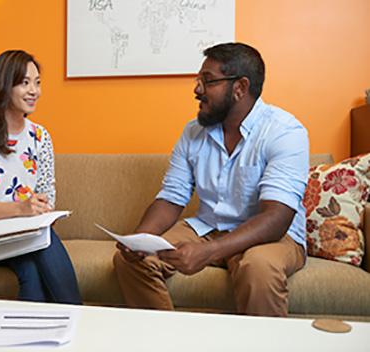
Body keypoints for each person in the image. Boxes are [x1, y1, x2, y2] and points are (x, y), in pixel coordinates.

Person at [113, 43, 309, 317]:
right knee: (132, 260)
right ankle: (169, 342)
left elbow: (276, 217)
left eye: (208, 81)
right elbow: (171, 197)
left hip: (270, 235)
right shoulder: (193, 132)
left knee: (258, 269)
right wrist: (140, 238)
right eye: (198, 80)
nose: (197, 89)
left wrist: (210, 252)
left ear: (240, 87)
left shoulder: (285, 132)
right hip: (208, 227)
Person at [0, 50, 81, 305]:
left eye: (37, 82)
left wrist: (39, 211)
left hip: (24, 231)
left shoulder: (41, 137)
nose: (34, 90)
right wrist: (21, 208)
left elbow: (47, 193)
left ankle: (44, 335)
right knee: (36, 250)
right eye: (25, 82)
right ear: (4, 85)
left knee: (33, 260)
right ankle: (77, 321)